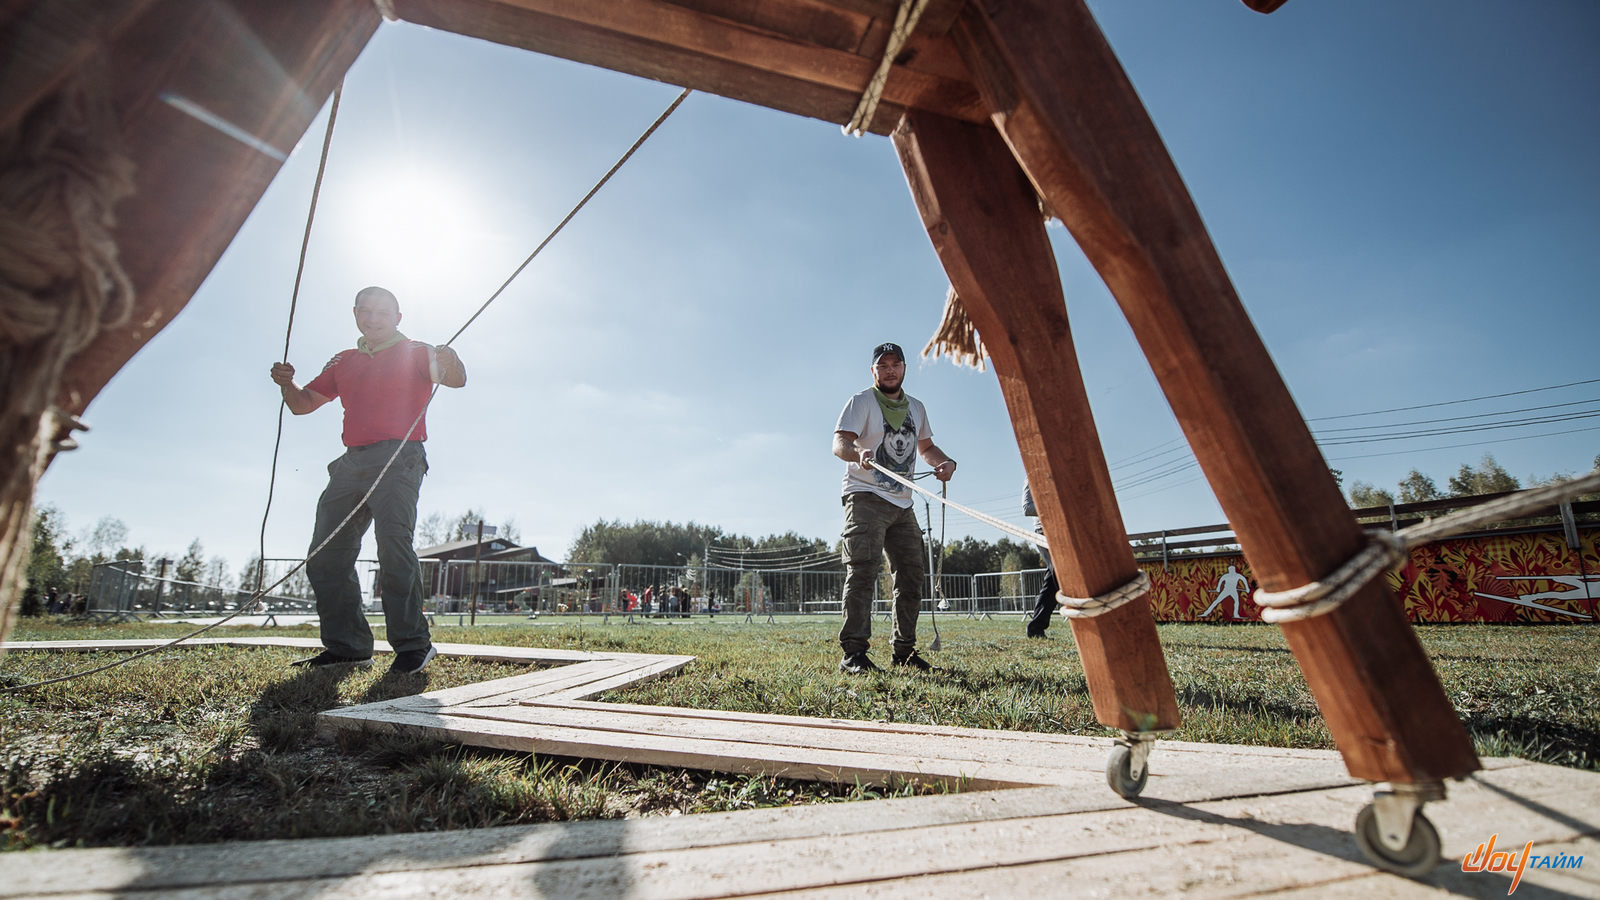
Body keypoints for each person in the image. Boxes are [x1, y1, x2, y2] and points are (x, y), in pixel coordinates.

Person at [269, 286, 466, 675]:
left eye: (383, 312)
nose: (374, 318)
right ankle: (348, 647)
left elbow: (455, 379)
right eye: (367, 311)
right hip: (351, 462)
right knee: (325, 554)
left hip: (401, 457)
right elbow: (303, 404)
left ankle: (413, 645)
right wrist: (286, 385)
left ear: (398, 317)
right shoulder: (344, 359)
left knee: (393, 545)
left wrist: (451, 358)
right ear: (356, 314)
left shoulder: (415, 351)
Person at [832, 341, 956, 674]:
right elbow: (840, 442)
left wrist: (944, 462)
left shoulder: (916, 407)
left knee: (912, 576)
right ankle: (853, 655)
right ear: (873, 370)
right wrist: (858, 453)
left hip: (903, 503)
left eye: (895, 364)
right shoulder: (861, 402)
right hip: (865, 496)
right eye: (883, 365)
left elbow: (926, 446)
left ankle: (904, 652)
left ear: (904, 368)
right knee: (862, 572)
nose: (889, 370)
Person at [1022, 483, 1059, 638]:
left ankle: (1036, 627)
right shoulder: (1033, 474)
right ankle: (1087, 621)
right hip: (1044, 531)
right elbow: (1027, 507)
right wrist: (1058, 506)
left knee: (1053, 580)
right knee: (1062, 575)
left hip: (1062, 528)